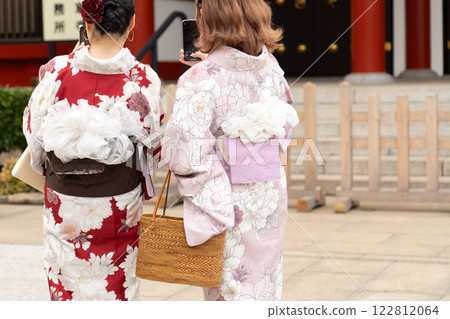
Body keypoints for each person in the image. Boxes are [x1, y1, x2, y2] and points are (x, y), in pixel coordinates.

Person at [22, 0, 163, 301]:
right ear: (133, 24)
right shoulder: (144, 80)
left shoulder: (57, 72)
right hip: (119, 205)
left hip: (64, 203)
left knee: (66, 286)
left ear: (86, 24)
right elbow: (153, 146)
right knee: (118, 285)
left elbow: (34, 133)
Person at [162, 0, 299, 301]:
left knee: (230, 292)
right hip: (268, 196)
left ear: (207, 17)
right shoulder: (271, 67)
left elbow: (182, 152)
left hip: (226, 203)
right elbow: (285, 124)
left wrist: (215, 199)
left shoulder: (199, 79)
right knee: (264, 286)